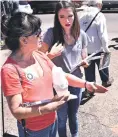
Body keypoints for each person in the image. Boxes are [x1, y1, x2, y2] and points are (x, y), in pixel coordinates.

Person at [1, 12, 107, 137]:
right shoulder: (10, 70)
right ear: (24, 40)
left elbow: (61, 75)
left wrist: (86, 84)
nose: (42, 34)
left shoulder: (39, 55)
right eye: (37, 33)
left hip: (52, 122)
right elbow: (17, 111)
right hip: (34, 130)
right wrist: (49, 108)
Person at [39, 1, 94, 137]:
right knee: (62, 117)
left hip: (76, 80)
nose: (66, 20)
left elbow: (84, 56)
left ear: (75, 15)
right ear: (57, 18)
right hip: (58, 84)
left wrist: (85, 62)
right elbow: (38, 57)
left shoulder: (81, 34)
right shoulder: (51, 34)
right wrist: (51, 55)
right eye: (62, 17)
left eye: (70, 16)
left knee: (74, 115)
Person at [79, 0, 113, 97]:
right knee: (103, 64)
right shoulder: (100, 15)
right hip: (98, 47)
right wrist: (106, 48)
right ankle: (105, 81)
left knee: (88, 70)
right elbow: (103, 35)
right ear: (98, 5)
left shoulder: (82, 15)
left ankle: (90, 89)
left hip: (86, 48)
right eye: (101, 5)